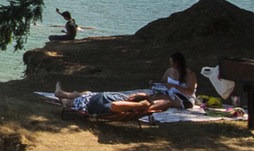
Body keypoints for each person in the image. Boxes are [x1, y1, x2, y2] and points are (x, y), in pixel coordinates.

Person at [54, 51, 195, 118]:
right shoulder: (169, 71)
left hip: (182, 98)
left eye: (173, 62)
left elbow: (189, 92)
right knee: (87, 93)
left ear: (179, 63)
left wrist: (141, 104)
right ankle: (63, 94)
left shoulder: (189, 74)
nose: (171, 65)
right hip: (98, 98)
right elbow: (163, 83)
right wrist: (156, 84)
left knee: (78, 100)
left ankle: (64, 97)